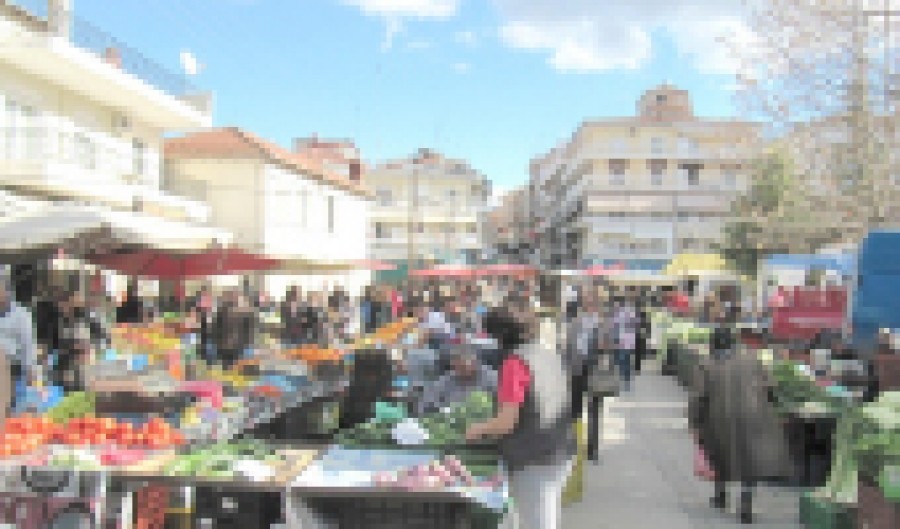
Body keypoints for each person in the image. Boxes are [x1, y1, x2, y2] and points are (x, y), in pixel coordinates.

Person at [466, 298, 575, 529]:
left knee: (538, 521)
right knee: (544, 514)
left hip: (533, 457)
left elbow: (506, 422)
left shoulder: (515, 364)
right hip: (560, 448)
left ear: (503, 335)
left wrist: (480, 428)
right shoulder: (548, 353)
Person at [689, 313, 790, 524]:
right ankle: (746, 503)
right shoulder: (752, 359)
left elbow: (698, 397)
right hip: (753, 415)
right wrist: (773, 406)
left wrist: (694, 423)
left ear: (713, 345)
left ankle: (720, 495)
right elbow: (770, 386)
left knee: (719, 453)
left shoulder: (706, 364)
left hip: (719, 417)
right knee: (749, 459)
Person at [417, 346, 497, 416]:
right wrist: (442, 411)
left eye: (469, 363)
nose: (466, 368)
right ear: (454, 365)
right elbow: (424, 404)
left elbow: (501, 403)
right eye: (461, 367)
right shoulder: (445, 382)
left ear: (475, 361)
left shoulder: (489, 377)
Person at [0, 275, 39, 412]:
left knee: (8, 403)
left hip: (12, 365)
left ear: (7, 292)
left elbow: (28, 342)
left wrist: (30, 368)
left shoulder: (21, 315)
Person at [612, 294, 637, 392]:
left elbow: (615, 327)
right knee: (626, 360)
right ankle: (626, 380)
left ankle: (624, 380)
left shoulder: (618, 313)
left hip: (622, 341)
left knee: (622, 361)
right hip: (629, 341)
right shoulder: (630, 311)